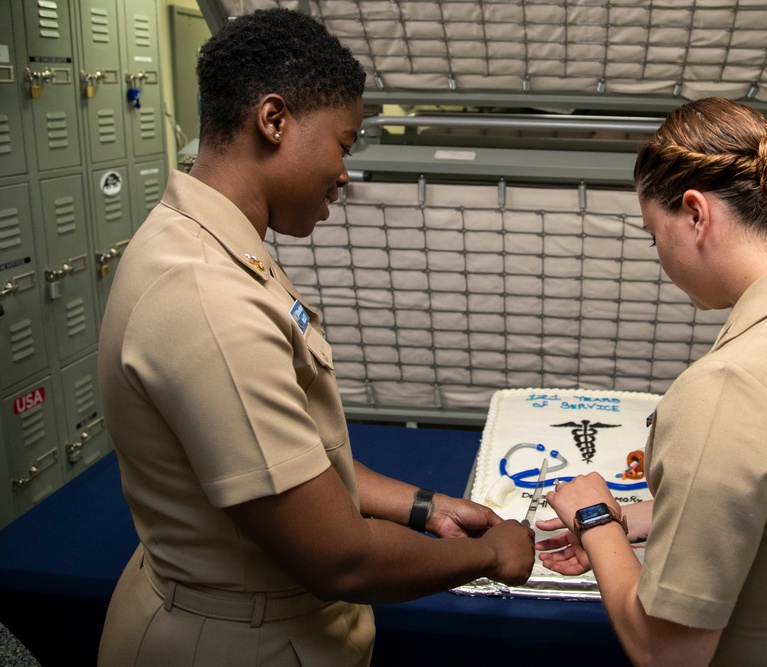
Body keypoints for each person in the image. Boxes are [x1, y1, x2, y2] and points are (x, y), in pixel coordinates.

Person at [96, 8, 534, 666]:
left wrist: (426, 507)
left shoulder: (213, 245)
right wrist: (489, 554)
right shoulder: (206, 297)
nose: (344, 172)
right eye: (343, 143)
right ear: (273, 121)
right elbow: (342, 559)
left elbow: (292, 459)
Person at [536, 97, 767, 666]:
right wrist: (645, 518)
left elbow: (666, 651)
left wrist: (593, 520)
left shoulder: (733, 387)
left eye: (653, 232)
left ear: (695, 214)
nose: (660, 253)